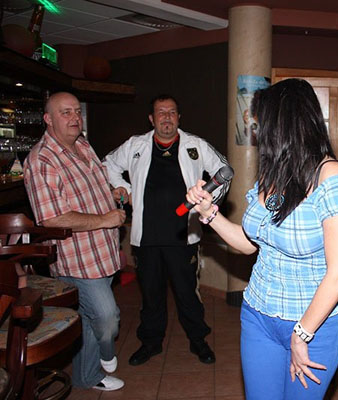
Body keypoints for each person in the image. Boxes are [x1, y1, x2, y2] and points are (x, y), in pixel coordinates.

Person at [186, 79, 338, 399]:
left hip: (313, 324)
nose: (257, 131)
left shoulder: (331, 177)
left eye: (260, 123)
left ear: (283, 123)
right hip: (259, 316)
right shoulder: (272, 173)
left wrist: (302, 333)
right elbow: (249, 243)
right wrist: (209, 213)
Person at [103, 94, 230, 366]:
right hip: (146, 237)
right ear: (152, 119)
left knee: (187, 293)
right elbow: (107, 164)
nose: (167, 117)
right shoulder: (135, 145)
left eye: (172, 112)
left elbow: (224, 170)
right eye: (161, 112)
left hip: (184, 236)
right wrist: (123, 188)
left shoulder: (195, 145)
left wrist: (208, 202)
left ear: (179, 117)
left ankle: (198, 340)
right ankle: (150, 343)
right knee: (151, 294)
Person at [23, 92, 125, 392]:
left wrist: (112, 192)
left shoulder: (82, 144)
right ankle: (106, 355)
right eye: (65, 112)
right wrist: (105, 219)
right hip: (76, 259)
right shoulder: (41, 160)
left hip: (103, 251)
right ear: (48, 119)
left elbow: (92, 186)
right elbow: (51, 218)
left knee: (89, 318)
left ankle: (87, 376)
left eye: (77, 112)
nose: (74, 118)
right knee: (106, 317)